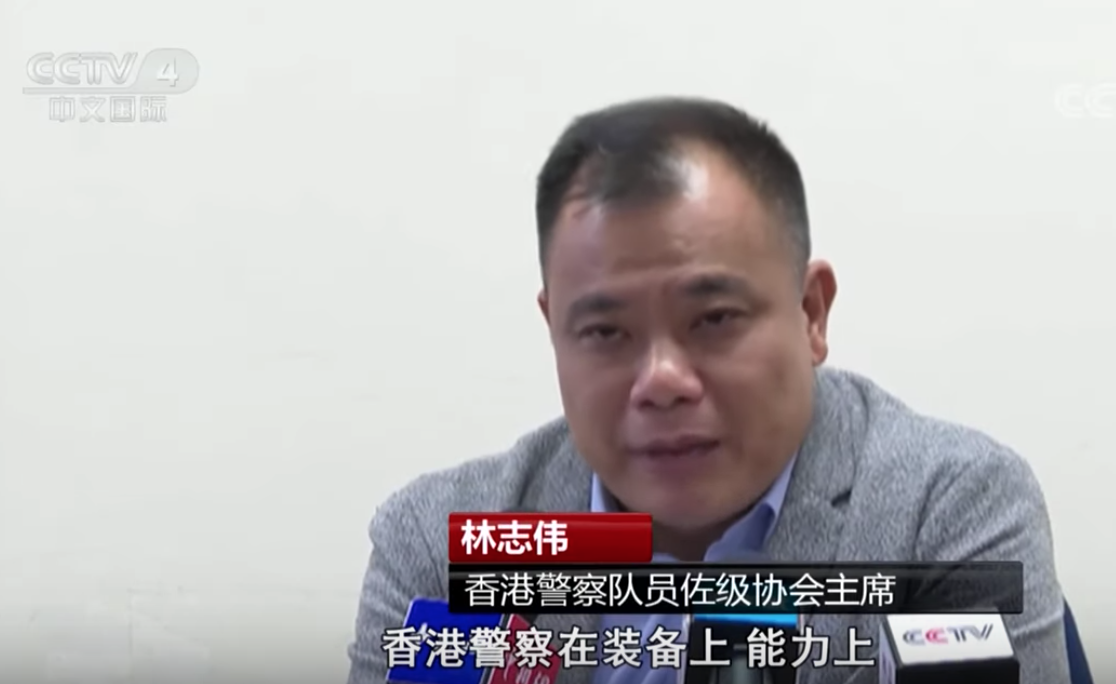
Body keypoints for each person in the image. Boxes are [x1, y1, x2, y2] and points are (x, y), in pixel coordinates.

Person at [346, 97, 1069, 684]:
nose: (661, 381)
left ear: (811, 314)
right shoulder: (443, 547)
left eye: (714, 319)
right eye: (605, 331)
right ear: (554, 330)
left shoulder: (946, 510)